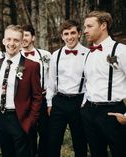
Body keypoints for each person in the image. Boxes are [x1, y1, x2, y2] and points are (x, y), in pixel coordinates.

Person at [0, 24, 43, 157]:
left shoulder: (32, 66)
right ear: (3, 41)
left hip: (20, 119)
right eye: (8, 39)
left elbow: (37, 96)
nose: (11, 43)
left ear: (21, 43)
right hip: (1, 118)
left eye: (16, 40)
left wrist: (30, 121)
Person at [81, 10, 126, 157]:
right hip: (89, 112)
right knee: (96, 153)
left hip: (112, 112)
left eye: (89, 26)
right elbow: (88, 82)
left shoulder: (120, 50)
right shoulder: (89, 53)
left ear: (103, 26)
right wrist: (84, 106)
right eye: (84, 27)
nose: (85, 30)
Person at [46, 20, 88, 157]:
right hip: (59, 101)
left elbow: (90, 82)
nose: (70, 37)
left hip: (79, 101)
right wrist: (49, 103)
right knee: (53, 141)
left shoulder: (88, 54)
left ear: (79, 34)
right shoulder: (55, 55)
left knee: (80, 141)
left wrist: (84, 104)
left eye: (73, 33)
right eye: (66, 34)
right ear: (62, 36)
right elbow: (51, 81)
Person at [21, 24, 51, 157]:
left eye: (26, 35)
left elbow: (51, 78)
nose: (23, 38)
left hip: (43, 99)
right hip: (25, 101)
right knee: (28, 132)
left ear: (33, 37)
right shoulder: (16, 57)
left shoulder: (45, 55)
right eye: (21, 35)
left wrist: (49, 99)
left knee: (45, 132)